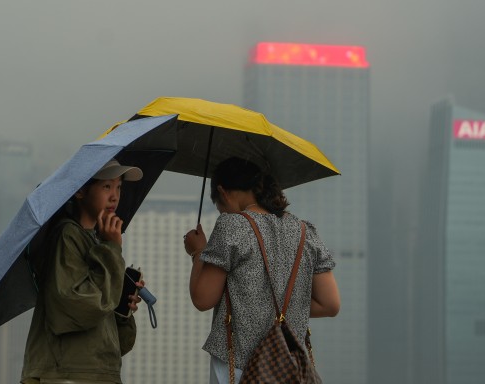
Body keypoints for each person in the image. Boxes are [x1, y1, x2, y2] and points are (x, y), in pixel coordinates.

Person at [182, 157, 341, 384]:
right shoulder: (306, 232)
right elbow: (330, 304)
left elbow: (202, 298)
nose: (222, 213)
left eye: (219, 207)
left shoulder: (233, 225)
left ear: (222, 192)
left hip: (239, 368)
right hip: (288, 370)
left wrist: (198, 252)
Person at [21, 159, 147, 384]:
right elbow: (78, 307)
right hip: (66, 374)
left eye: (119, 187)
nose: (114, 196)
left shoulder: (99, 243)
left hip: (95, 373)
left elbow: (120, 344)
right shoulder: (67, 236)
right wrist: (112, 249)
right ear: (80, 190)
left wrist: (122, 307)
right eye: (106, 186)